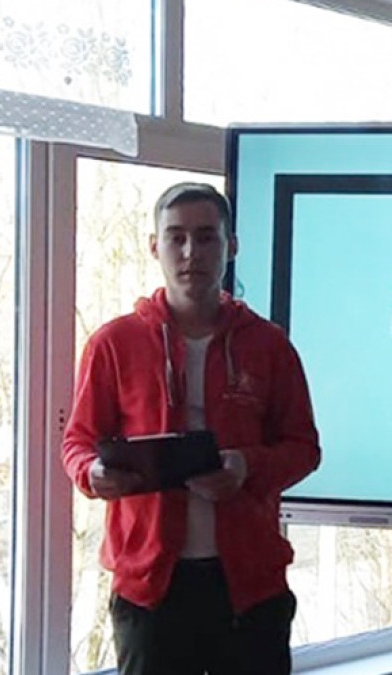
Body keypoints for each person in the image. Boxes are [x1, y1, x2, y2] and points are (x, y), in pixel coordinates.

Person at [62, 182, 321, 675]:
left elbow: (304, 448)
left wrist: (247, 466)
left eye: (206, 237)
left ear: (231, 246)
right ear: (154, 246)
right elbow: (77, 442)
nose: (190, 252)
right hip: (150, 590)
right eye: (176, 237)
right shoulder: (113, 344)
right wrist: (91, 472)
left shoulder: (269, 345)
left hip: (250, 588)